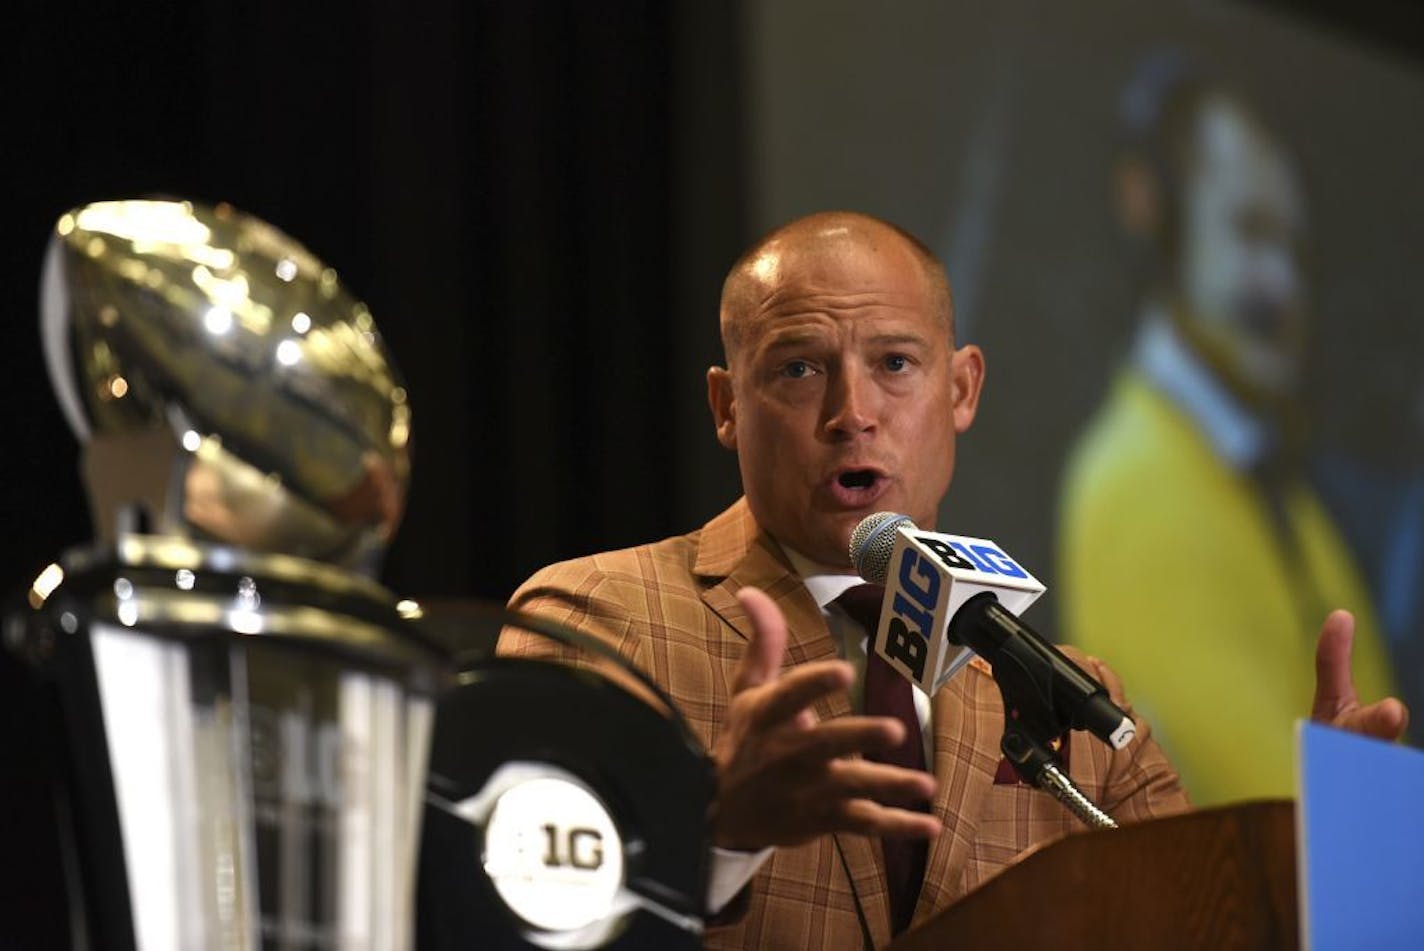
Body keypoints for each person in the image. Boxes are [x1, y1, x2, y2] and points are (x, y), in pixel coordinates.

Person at [500, 211, 1405, 948]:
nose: (853, 414)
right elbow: (510, 917)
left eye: (894, 364)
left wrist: (1326, 849)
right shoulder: (598, 620)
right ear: (727, 408)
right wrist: (721, 837)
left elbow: (1209, 919)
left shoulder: (1074, 702)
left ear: (962, 390)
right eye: (799, 368)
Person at [1057, 64, 1404, 805]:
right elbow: (1270, 820)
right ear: (1154, 211)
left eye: (1296, 252)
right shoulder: (1134, 485)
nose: (1284, 288)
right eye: (1250, 231)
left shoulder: (1276, 489)